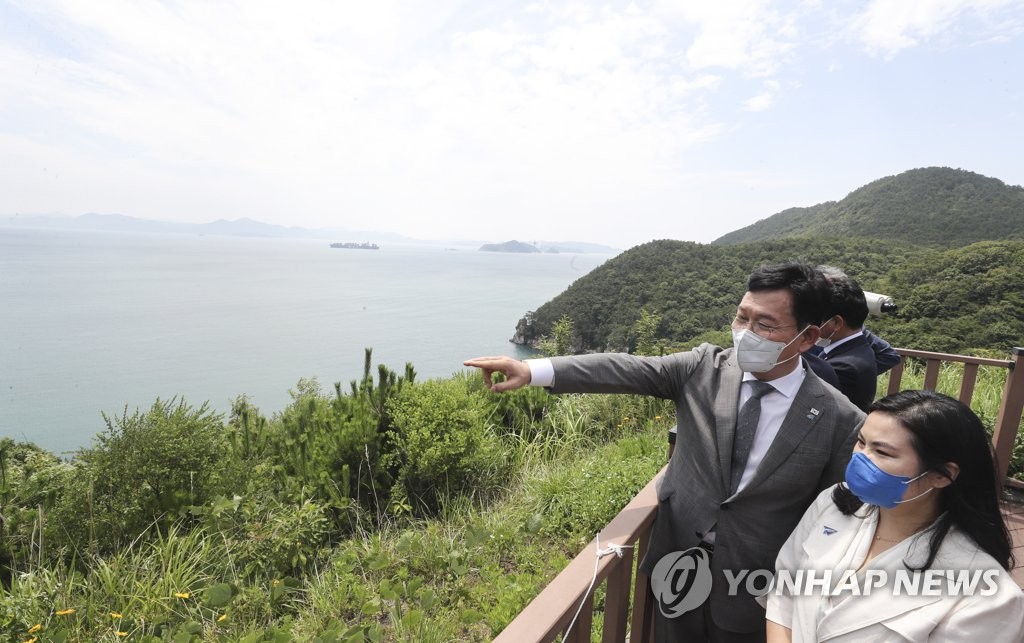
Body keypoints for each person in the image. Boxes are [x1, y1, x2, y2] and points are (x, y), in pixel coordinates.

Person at [465, 261, 865, 643]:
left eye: (766, 325)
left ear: (808, 337)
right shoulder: (702, 368)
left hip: (755, 586)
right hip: (677, 559)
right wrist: (533, 371)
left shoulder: (839, 419)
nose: (746, 333)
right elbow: (624, 369)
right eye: (742, 318)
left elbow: (832, 516)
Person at [765, 390, 1024, 642]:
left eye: (883, 452)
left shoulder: (985, 594)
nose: (859, 459)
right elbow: (784, 590)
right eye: (861, 442)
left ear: (942, 474)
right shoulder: (834, 503)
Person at [813, 269, 880, 412]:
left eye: (815, 318)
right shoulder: (857, 348)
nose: (809, 323)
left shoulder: (843, 367)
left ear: (836, 323)